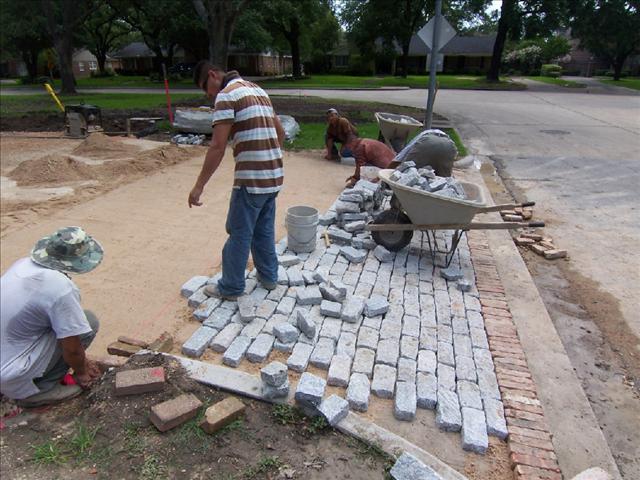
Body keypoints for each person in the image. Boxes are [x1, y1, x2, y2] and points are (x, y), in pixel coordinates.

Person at [188, 61, 285, 300]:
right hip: (274, 175)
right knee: (263, 229)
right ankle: (269, 277)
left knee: (239, 231)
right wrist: (266, 155)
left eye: (205, 88)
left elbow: (217, 146)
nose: (209, 95)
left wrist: (199, 186)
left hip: (250, 179)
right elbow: (280, 133)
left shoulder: (226, 96)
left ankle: (231, 287)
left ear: (213, 75)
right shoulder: (258, 90)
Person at [0, 227, 103, 408]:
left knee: (65, 324)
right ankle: (39, 390)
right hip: (11, 375)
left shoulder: (22, 264)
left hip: (7, 355)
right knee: (88, 322)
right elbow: (72, 349)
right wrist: (81, 372)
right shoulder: (61, 289)